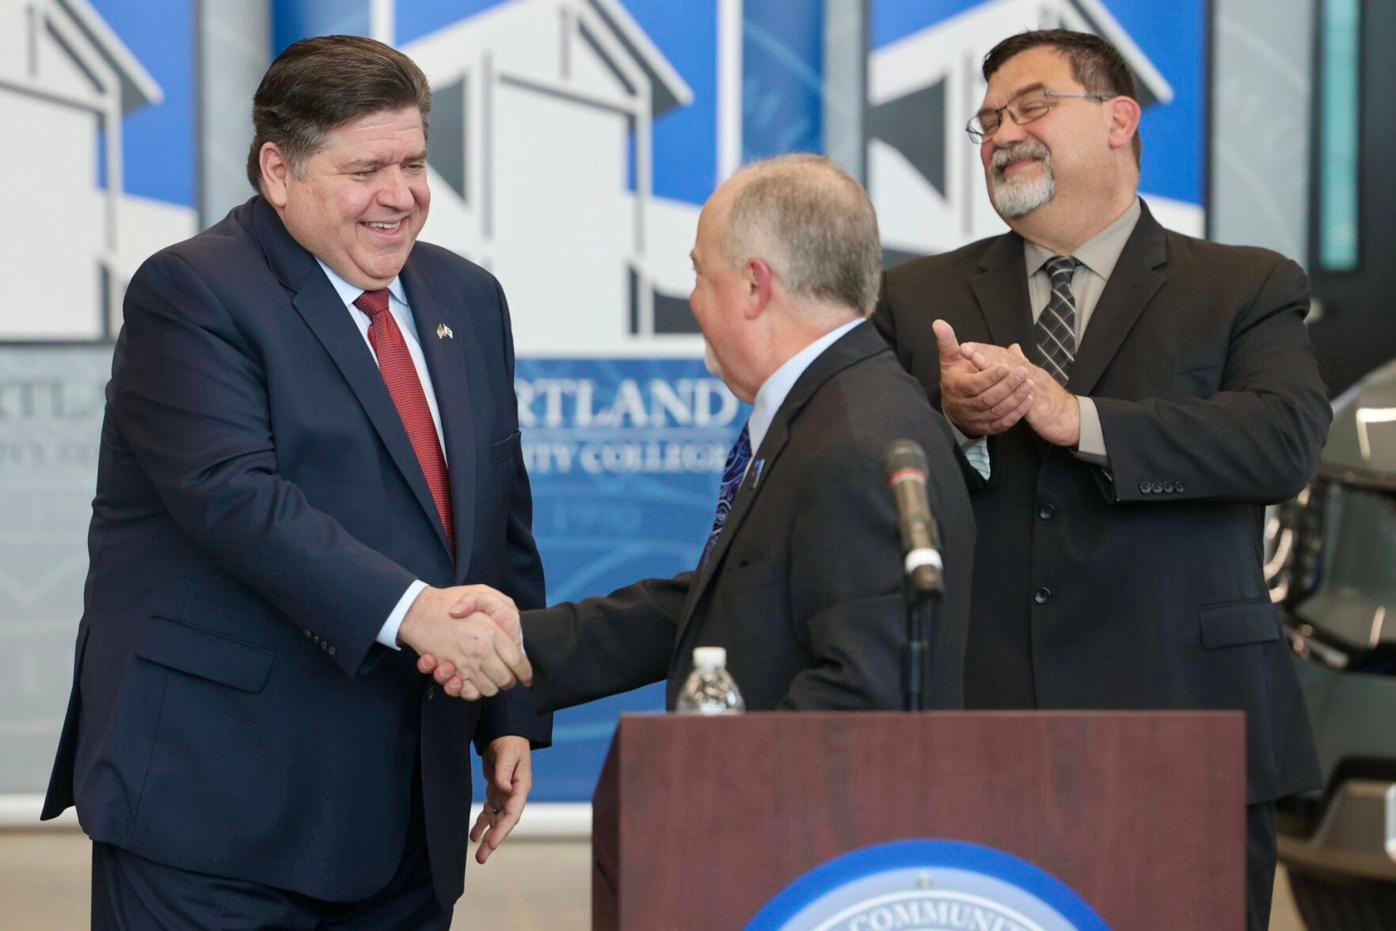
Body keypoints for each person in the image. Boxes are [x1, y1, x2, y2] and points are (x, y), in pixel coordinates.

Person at [41, 35, 546, 929]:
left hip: (401, 825)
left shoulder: (468, 299)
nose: (400, 195)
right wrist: (422, 613)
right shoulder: (193, 293)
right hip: (216, 819)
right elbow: (238, 500)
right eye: (367, 169)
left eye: (415, 161)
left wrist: (507, 706)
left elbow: (496, 522)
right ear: (278, 170)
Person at [871, 29, 1331, 931]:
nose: (1004, 132)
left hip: (1184, 722)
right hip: (984, 720)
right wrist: (953, 422)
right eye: (990, 119)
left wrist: (1075, 417)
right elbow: (865, 481)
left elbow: (1282, 442)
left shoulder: (1243, 284)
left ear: (1120, 118)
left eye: (1033, 105)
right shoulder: (917, 296)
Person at [424, 154, 974, 715]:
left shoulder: (856, 444)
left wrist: (713, 787)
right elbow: (729, 600)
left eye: (699, 274)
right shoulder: (832, 411)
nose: (693, 302)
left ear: (755, 286)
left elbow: (863, 698)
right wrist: (523, 640)